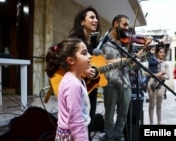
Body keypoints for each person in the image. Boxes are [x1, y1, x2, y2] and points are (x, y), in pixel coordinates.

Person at [101, 14, 152, 141]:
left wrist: (144, 48)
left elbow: (133, 63)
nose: (126, 28)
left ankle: (118, 135)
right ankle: (109, 136)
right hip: (111, 82)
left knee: (123, 114)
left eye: (128, 25)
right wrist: (121, 60)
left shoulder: (126, 43)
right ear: (115, 24)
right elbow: (101, 62)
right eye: (124, 24)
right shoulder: (104, 42)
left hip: (126, 83)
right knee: (109, 114)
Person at [45, 38, 92, 140]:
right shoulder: (72, 85)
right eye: (84, 53)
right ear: (71, 60)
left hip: (75, 132)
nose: (90, 56)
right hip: (72, 135)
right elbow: (75, 120)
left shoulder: (79, 80)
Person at [67, 6, 101, 139]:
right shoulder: (74, 41)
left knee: (89, 122)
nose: (96, 20)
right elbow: (62, 60)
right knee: (78, 124)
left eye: (96, 18)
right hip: (76, 89)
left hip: (90, 89)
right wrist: (83, 70)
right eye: (91, 17)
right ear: (82, 22)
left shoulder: (93, 44)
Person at [146, 46, 170, 125]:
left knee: (159, 105)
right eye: (160, 52)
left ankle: (159, 122)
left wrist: (161, 76)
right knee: (152, 104)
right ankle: (151, 122)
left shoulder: (165, 64)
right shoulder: (151, 61)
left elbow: (168, 76)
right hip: (152, 83)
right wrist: (157, 75)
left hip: (161, 85)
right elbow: (146, 73)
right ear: (157, 53)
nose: (163, 54)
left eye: (163, 52)